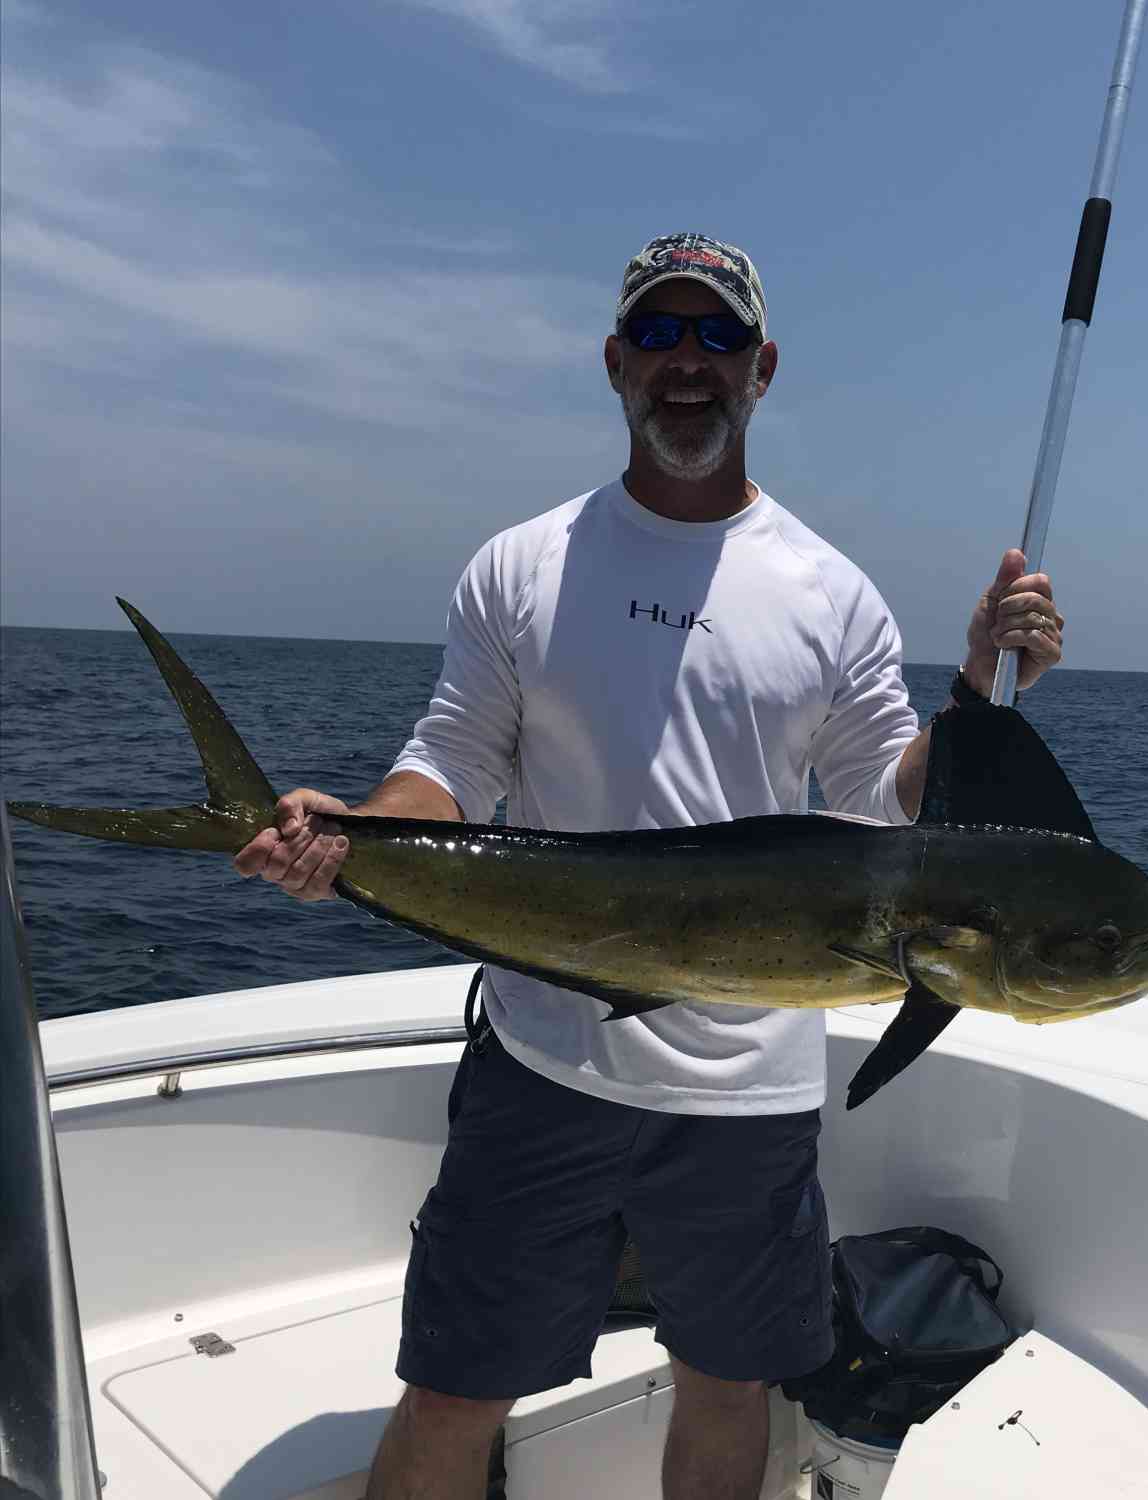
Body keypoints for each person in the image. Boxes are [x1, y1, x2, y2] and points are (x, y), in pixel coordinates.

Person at [233, 233, 1064, 1500]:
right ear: (617, 363)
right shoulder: (525, 564)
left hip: (749, 1087)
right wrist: (354, 829)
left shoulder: (831, 594)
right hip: (544, 1057)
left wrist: (973, 694)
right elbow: (451, 762)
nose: (689, 363)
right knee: (456, 1385)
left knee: (729, 1387)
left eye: (717, 336)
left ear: (762, 369)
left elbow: (880, 795)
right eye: (662, 336)